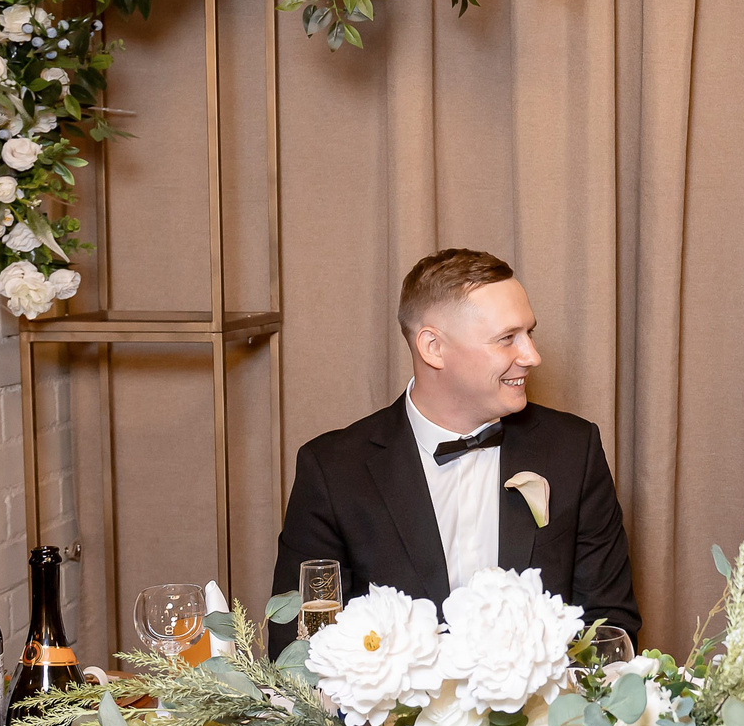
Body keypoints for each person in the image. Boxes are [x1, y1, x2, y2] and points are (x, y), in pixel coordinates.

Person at [270, 249, 639, 654]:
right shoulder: (333, 471)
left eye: (529, 333)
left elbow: (610, 630)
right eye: (507, 339)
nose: (532, 356)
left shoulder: (574, 450)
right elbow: (299, 652)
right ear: (433, 347)